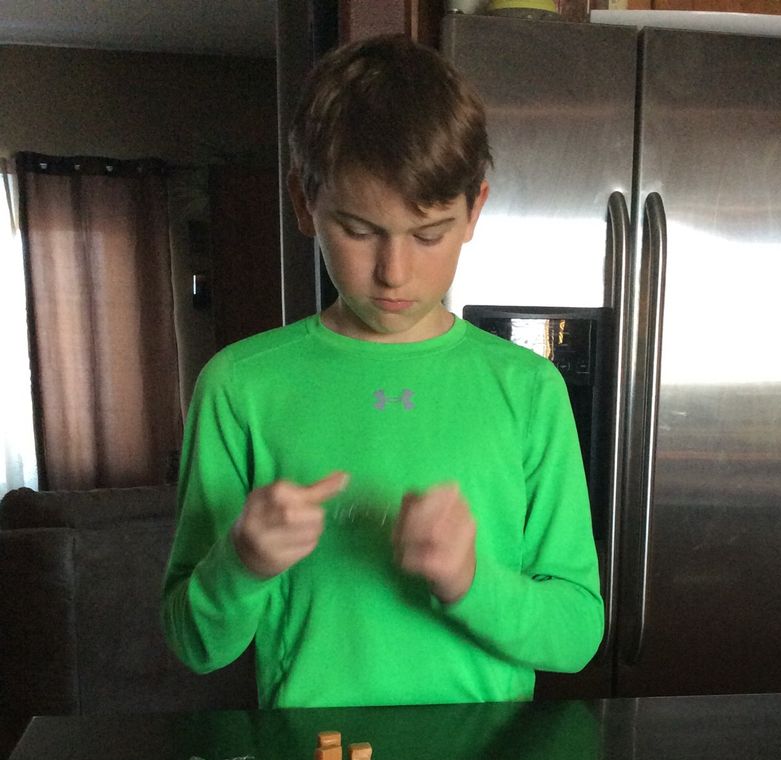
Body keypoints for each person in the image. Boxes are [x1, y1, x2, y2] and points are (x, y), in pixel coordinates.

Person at [162, 34, 603, 708]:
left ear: (474, 210)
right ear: (305, 204)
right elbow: (194, 643)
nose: (394, 271)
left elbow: (576, 633)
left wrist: (469, 582)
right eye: (360, 230)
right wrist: (241, 563)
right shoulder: (240, 386)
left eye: (428, 233)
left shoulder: (528, 390)